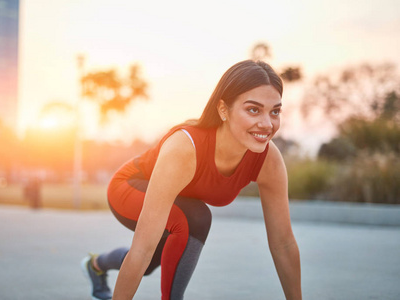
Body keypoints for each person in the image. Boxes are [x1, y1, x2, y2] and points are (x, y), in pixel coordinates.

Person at [81, 60, 302, 300]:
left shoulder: (268, 160)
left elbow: (284, 243)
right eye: (253, 109)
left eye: (275, 111)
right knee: (192, 220)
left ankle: (96, 265)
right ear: (223, 110)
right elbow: (142, 249)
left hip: (179, 203)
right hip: (130, 187)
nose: (267, 124)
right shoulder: (185, 148)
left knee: (155, 261)